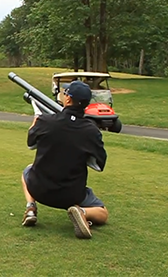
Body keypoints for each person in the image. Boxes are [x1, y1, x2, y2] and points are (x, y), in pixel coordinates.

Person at [21, 81, 109, 239]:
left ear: (68, 99)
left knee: (27, 171)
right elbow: (98, 164)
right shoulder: (91, 131)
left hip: (39, 189)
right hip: (72, 196)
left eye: (66, 93)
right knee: (102, 213)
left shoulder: (46, 121)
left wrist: (34, 125)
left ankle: (31, 207)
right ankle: (82, 212)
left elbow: (31, 144)